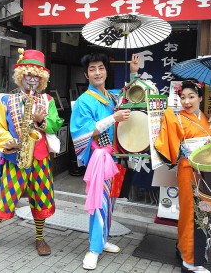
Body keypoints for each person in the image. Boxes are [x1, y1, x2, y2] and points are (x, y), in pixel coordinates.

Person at [0, 49, 64, 256]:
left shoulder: (47, 100)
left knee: (41, 198)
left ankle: (40, 238)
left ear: (42, 79)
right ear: (21, 75)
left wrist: (41, 121)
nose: (32, 79)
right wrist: (9, 143)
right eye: (28, 74)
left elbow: (55, 124)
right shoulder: (6, 100)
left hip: (40, 158)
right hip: (14, 158)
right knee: (5, 197)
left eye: (36, 76)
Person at [70, 52, 140, 270]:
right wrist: (113, 118)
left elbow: (131, 97)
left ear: (106, 71)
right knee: (98, 204)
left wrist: (133, 73)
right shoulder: (84, 101)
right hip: (99, 157)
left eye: (101, 67)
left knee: (110, 202)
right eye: (92, 69)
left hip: (115, 156)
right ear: (86, 74)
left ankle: (103, 239)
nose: (97, 72)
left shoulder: (111, 96)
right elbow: (84, 131)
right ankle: (93, 249)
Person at [155, 79, 211, 273]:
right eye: (183, 97)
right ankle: (190, 261)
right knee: (191, 214)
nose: (187, 101)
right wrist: (169, 112)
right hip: (188, 171)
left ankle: (187, 251)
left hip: (205, 173)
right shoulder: (176, 116)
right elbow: (168, 140)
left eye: (192, 97)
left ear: (201, 98)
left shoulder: (205, 117)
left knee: (203, 214)